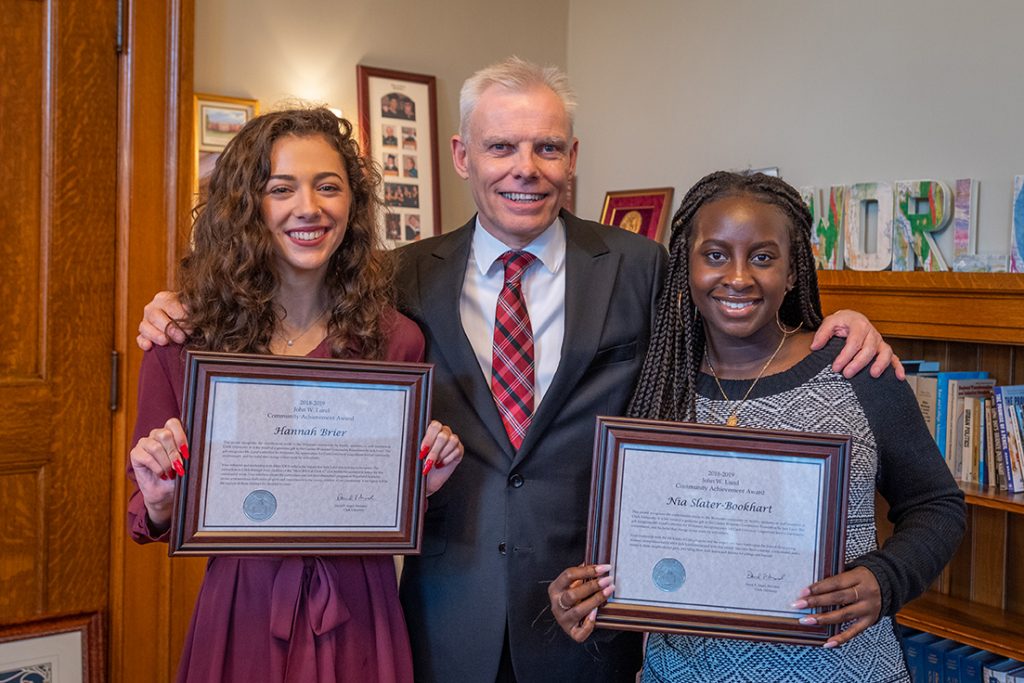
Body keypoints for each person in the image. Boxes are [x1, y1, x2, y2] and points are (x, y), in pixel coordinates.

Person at [136, 59, 896, 682]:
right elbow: (293, 330)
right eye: (501, 148)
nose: (524, 169)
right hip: (439, 616)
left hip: (590, 618)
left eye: (547, 148)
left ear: (572, 158)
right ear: (465, 156)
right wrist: (177, 306)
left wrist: (833, 325)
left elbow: (737, 329)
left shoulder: (640, 267)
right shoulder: (396, 282)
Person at [547, 171, 966, 682]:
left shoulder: (855, 368)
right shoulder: (655, 386)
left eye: (764, 257)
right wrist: (587, 598)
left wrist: (886, 580)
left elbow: (936, 504)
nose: (739, 276)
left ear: (792, 273)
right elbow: (634, 554)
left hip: (845, 672)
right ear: (686, 266)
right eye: (716, 254)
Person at [127, 108, 464, 683]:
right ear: (247, 206)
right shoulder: (184, 343)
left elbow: (393, 507)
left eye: (328, 186)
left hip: (362, 609)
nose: (309, 207)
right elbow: (147, 514)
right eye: (281, 188)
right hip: (243, 608)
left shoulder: (396, 342)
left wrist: (422, 487)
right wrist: (159, 496)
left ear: (352, 206)